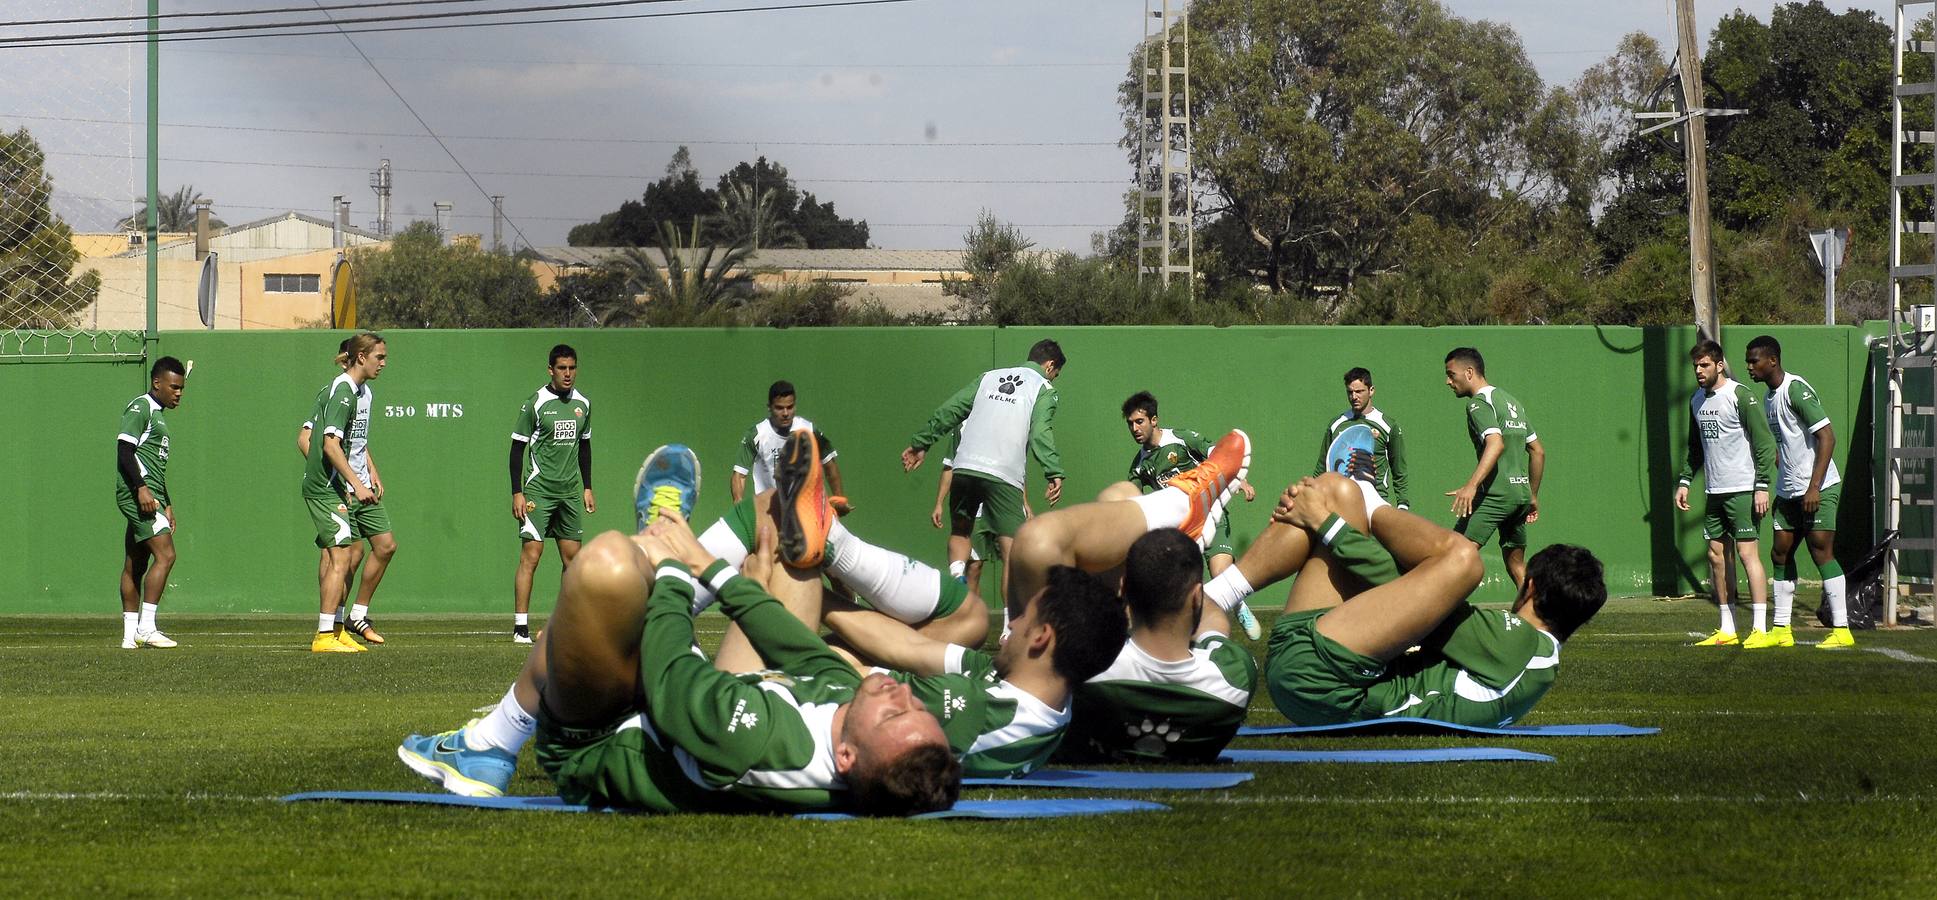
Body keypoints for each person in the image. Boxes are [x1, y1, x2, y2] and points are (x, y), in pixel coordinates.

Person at [398, 444, 962, 816]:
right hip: (705, 703)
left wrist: (673, 563)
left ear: (844, 758)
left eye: (893, 713)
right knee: (780, 516)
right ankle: (662, 554)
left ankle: (494, 741)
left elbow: (670, 668)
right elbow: (802, 651)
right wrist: (711, 568)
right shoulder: (855, 716)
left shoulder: (756, 744)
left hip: (606, 730)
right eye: (917, 707)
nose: (900, 691)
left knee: (608, 567)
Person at [1204, 473, 1605, 728]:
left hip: (1324, 681)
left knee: (1465, 560)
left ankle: (1365, 495)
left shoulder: (1519, 645)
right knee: (1334, 490)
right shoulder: (1531, 659)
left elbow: (1399, 586)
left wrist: (1337, 520)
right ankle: (1215, 596)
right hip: (1326, 669)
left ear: (1529, 587)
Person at [902, 339, 1066, 621]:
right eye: (1056, 373)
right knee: (1012, 553)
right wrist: (1053, 470)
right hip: (1003, 474)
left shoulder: (988, 378)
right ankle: (1009, 626)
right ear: (1050, 366)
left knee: (960, 532)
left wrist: (922, 443)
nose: (1054, 378)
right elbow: (1040, 432)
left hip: (964, 468)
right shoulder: (1043, 389)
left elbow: (951, 410)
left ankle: (956, 584)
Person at [1118, 390, 1261, 640]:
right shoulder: (1139, 466)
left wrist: (1242, 481)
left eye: (1139, 421)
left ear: (1154, 420)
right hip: (1183, 529)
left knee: (1221, 573)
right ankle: (1199, 636)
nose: (1134, 428)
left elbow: (1219, 456)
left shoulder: (1181, 439)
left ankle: (1240, 607)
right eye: (1130, 423)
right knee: (1185, 592)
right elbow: (1136, 504)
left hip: (1212, 512)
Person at [1744, 336, 1855, 649]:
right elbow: (1786, 441)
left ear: (1773, 361)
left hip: (1817, 488)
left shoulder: (1795, 389)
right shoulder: (1768, 397)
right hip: (1788, 491)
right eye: (1748, 361)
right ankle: (1781, 629)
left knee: (1821, 551)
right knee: (1780, 552)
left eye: (1755, 361)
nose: (1749, 366)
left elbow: (1827, 437)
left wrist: (1813, 487)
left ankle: (1841, 630)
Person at [1676, 339, 1778, 647]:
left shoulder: (1739, 396)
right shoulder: (1695, 400)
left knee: (1748, 555)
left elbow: (1764, 444)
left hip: (1743, 490)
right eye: (1696, 365)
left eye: (1704, 365)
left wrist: (1761, 486)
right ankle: (1727, 628)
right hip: (1714, 491)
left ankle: (1759, 629)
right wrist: (1683, 482)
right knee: (1716, 556)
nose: (1699, 371)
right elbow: (1695, 448)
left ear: (1719, 365)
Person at [300, 333, 389, 653]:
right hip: (329, 487)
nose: (384, 362)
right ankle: (325, 634)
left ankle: (338, 629)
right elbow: (326, 444)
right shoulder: (340, 391)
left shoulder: (361, 392)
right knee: (340, 555)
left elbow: (354, 441)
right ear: (361, 357)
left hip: (348, 484)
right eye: (379, 356)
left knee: (366, 549)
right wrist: (355, 483)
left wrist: (370, 474)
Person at [509, 344, 595, 644]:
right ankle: (521, 627)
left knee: (573, 560)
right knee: (532, 554)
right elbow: (517, 448)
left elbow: (585, 447)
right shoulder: (536, 403)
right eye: (562, 368)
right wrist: (517, 492)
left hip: (570, 492)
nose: (568, 374)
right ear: (551, 370)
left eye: (572, 368)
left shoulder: (583, 403)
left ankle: (565, 623)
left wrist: (586, 487)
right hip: (538, 491)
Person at [1443, 348, 1545, 588]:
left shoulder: (1478, 404)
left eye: (1451, 374)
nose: (1448, 381)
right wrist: (1532, 495)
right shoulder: (1512, 402)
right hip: (1519, 496)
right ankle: (1537, 618)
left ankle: (1443, 619)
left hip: (1496, 495)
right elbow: (1538, 451)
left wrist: (1471, 486)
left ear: (1469, 372)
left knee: (1453, 554)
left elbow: (1495, 443)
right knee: (1517, 564)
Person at [115, 356, 186, 649]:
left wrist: (166, 501)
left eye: (181, 388)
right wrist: (141, 489)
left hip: (152, 495)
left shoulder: (158, 414)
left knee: (136, 561)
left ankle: (129, 636)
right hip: (138, 495)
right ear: (157, 383)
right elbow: (124, 449)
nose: (178, 393)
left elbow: (152, 464)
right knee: (166, 555)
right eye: (173, 387)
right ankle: (147, 626)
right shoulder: (141, 407)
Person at [732, 380, 847, 514]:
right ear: (769, 407)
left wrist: (839, 499)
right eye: (779, 408)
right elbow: (739, 475)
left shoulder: (808, 430)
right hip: (769, 511)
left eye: (790, 407)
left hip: (805, 512)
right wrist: (738, 504)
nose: (786, 413)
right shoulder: (757, 435)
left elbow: (829, 464)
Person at [1313, 367, 1410, 510]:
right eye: (1350, 392)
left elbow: (1399, 470)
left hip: (1376, 502)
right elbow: (1322, 466)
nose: (1354, 397)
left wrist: (1403, 505)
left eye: (1359, 391)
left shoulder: (1388, 426)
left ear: (1371, 390)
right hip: (1341, 502)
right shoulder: (1336, 425)